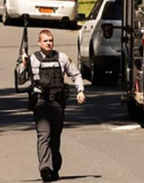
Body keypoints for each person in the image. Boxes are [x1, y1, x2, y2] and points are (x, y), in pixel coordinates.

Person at [16, 30, 86, 182]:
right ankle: (45, 169)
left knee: (55, 138)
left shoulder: (62, 58)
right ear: (39, 42)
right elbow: (20, 81)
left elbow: (75, 74)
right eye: (46, 41)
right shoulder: (33, 59)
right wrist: (23, 64)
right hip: (41, 103)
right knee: (44, 136)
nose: (49, 43)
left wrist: (80, 90)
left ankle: (54, 167)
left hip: (57, 103)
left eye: (51, 40)